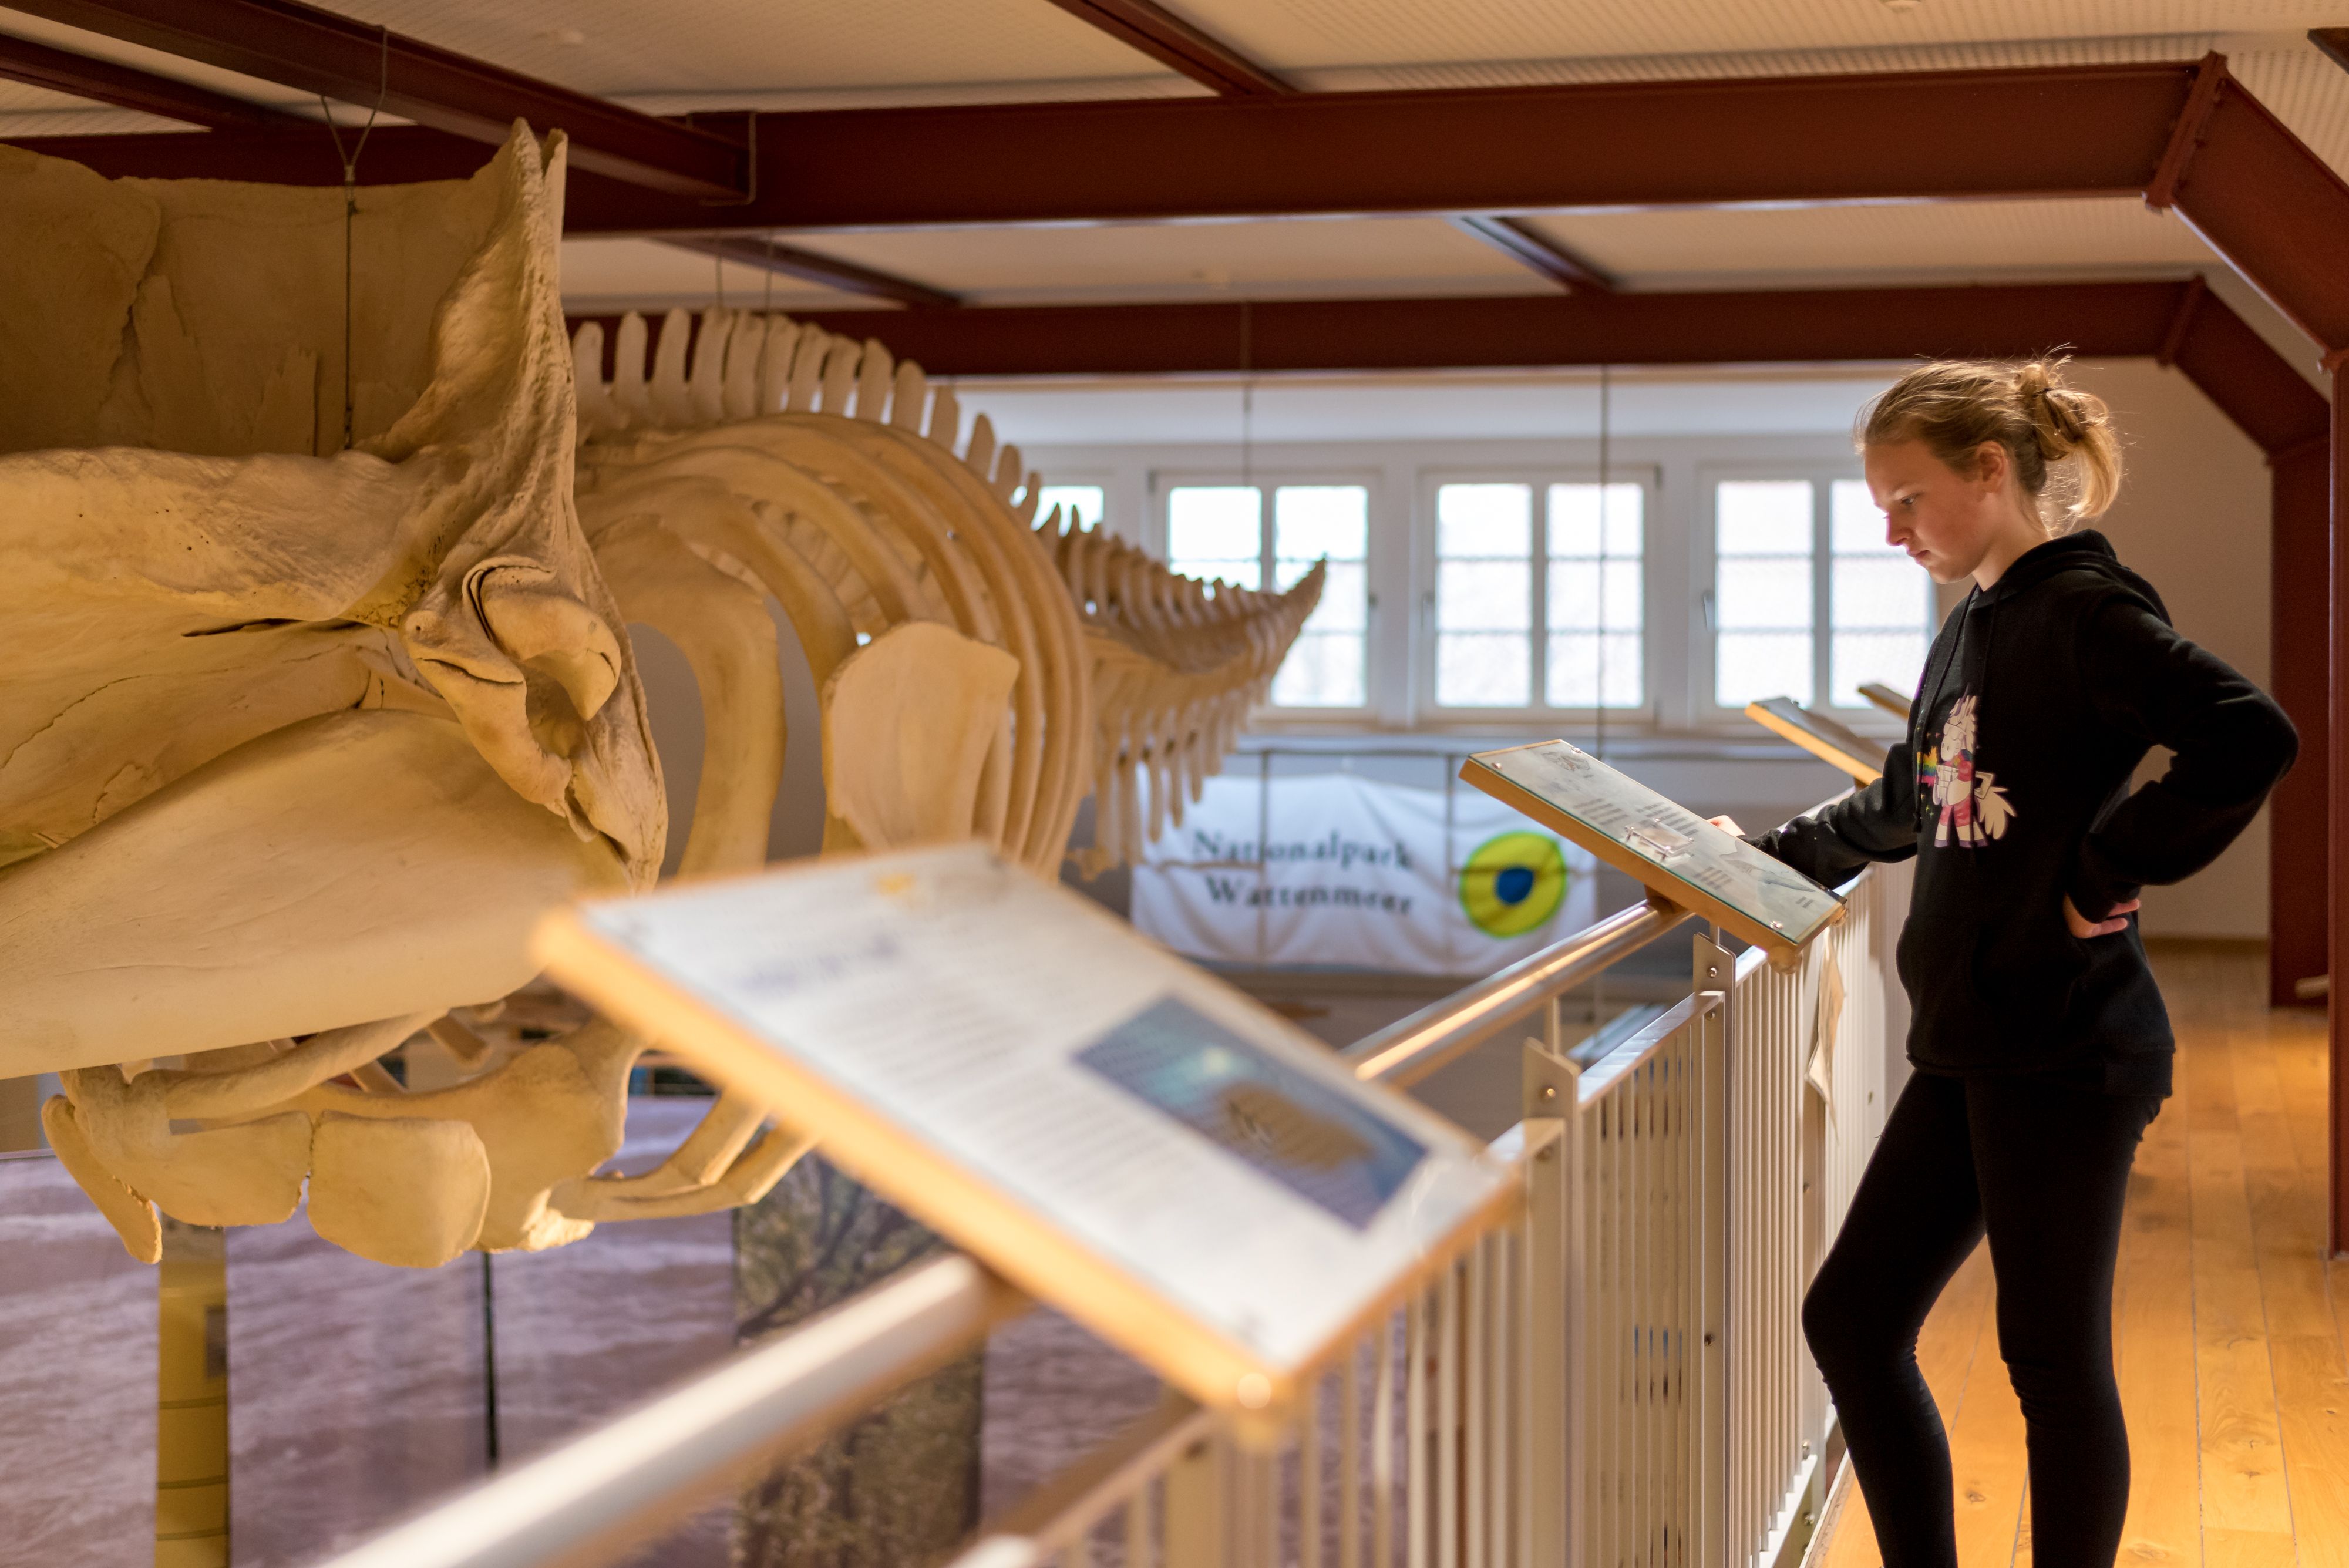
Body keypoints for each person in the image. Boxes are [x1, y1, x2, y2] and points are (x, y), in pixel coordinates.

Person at [1745, 358, 2296, 1567]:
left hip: (2061, 1047)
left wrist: (2102, 870)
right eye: (1880, 507)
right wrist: (1770, 862)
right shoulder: (1972, 628)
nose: (1890, 530)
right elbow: (1914, 797)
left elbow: (2246, 732)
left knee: (2048, 1362)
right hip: (1969, 1040)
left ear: (1988, 474)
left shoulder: (2086, 615)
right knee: (1850, 1319)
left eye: (1906, 500)